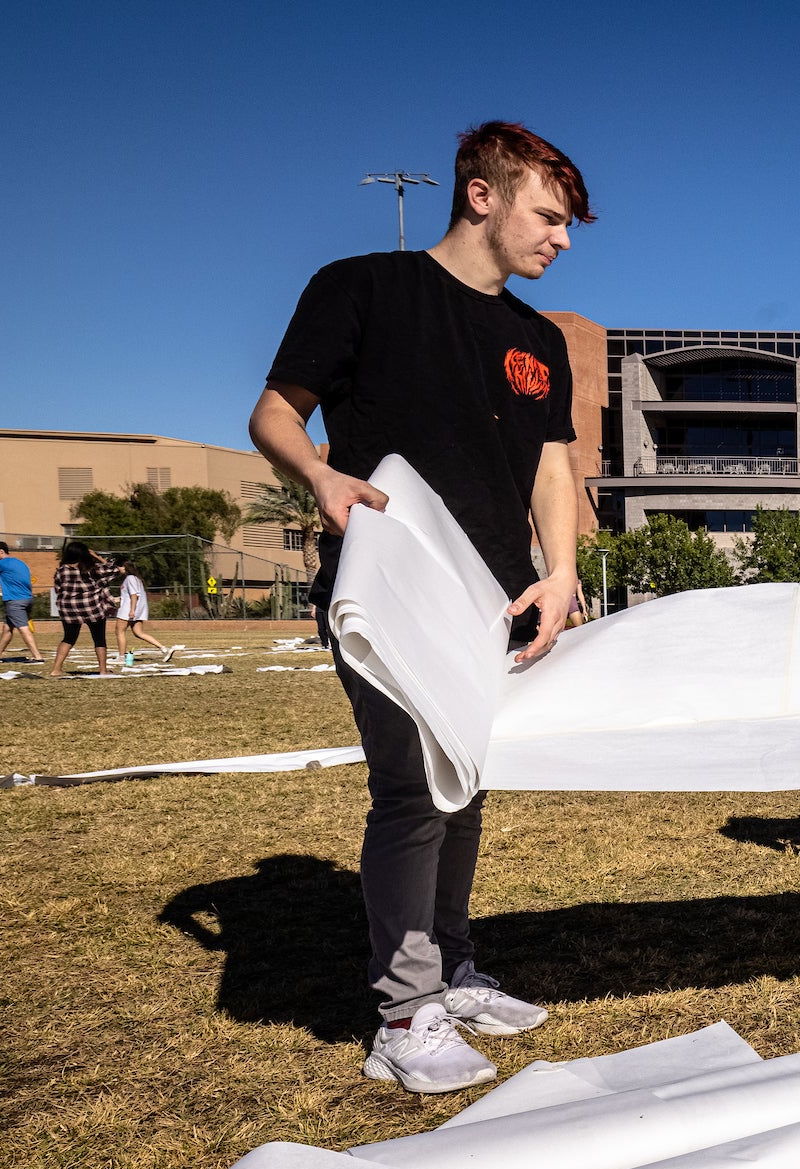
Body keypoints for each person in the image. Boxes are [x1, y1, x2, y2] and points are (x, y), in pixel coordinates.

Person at [247, 120, 591, 1093]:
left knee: (465, 780)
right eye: (549, 216)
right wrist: (316, 471)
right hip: (392, 585)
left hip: (495, 596)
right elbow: (275, 408)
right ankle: (405, 1010)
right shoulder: (361, 288)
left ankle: (452, 966)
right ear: (482, 194)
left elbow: (551, 463)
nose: (561, 240)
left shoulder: (537, 339)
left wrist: (560, 571)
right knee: (412, 789)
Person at [47, 542, 114, 678]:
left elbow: (57, 588)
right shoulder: (91, 569)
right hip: (91, 607)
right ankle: (103, 670)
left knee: (68, 638)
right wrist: (95, 556)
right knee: (99, 639)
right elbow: (112, 569)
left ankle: (56, 669)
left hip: (69, 609)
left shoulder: (61, 570)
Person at [0, 540, 40, 661]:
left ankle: (37, 657)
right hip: (27, 599)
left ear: (1, 552)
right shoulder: (19, 562)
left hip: (15, 601)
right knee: (7, 628)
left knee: (23, 629)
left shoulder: (0, 564)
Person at [106, 557, 173, 665]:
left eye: (119, 567)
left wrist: (132, 610)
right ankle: (164, 649)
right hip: (134, 609)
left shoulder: (130, 578)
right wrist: (117, 599)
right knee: (138, 633)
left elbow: (134, 595)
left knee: (119, 631)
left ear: (124, 567)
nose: (118, 570)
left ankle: (121, 657)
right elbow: (130, 595)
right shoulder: (135, 579)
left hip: (128, 610)